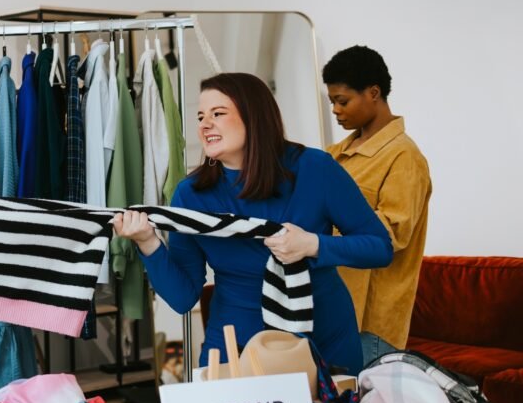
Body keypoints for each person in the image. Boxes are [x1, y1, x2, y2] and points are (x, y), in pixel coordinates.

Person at [113, 72, 393, 375]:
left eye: (218, 114)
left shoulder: (315, 168)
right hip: (236, 345)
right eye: (200, 117)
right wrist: (147, 242)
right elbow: (183, 298)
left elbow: (379, 248)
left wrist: (312, 245)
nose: (205, 125)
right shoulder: (191, 195)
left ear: (254, 116)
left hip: (324, 337)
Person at [323, 46, 431, 364]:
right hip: (330, 305)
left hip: (369, 321)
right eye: (332, 102)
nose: (336, 110)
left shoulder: (404, 157)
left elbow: (390, 235)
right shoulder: (332, 154)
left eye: (342, 101)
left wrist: (317, 241)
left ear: (373, 93)